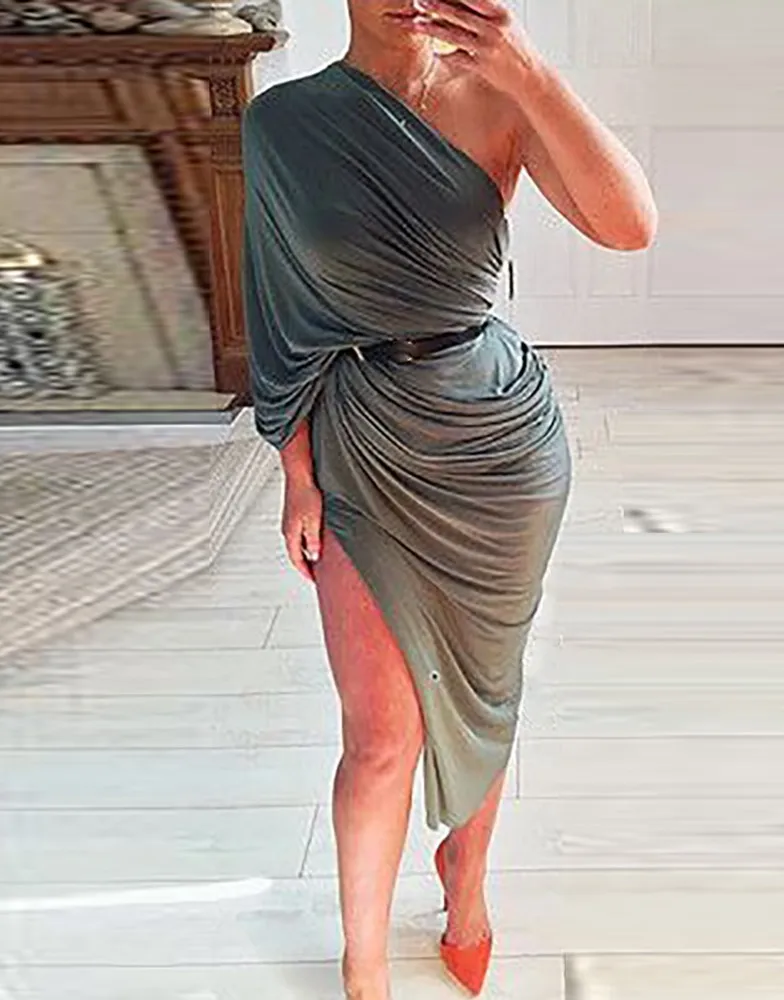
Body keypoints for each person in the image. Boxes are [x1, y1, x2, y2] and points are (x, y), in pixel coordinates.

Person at [240, 2, 657, 997]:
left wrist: (531, 74)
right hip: (360, 436)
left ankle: (464, 876)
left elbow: (629, 227)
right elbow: (277, 311)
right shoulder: (283, 121)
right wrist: (296, 471)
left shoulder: (499, 98)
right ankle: (363, 966)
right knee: (380, 737)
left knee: (483, 686)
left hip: (499, 444)